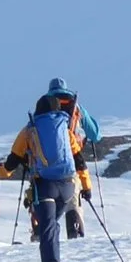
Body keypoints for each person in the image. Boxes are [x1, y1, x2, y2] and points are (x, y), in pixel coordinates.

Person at [0, 88, 90, 262]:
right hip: (68, 187)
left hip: (45, 186)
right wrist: (86, 187)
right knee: (52, 225)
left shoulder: (30, 129)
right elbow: (79, 160)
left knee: (47, 226)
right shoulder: (65, 129)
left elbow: (12, 162)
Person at [29, 79, 100, 239]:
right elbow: (95, 135)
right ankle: (74, 233)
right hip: (71, 161)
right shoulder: (75, 107)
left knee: (44, 199)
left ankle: (40, 233)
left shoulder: (43, 108)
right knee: (73, 199)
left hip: (44, 165)